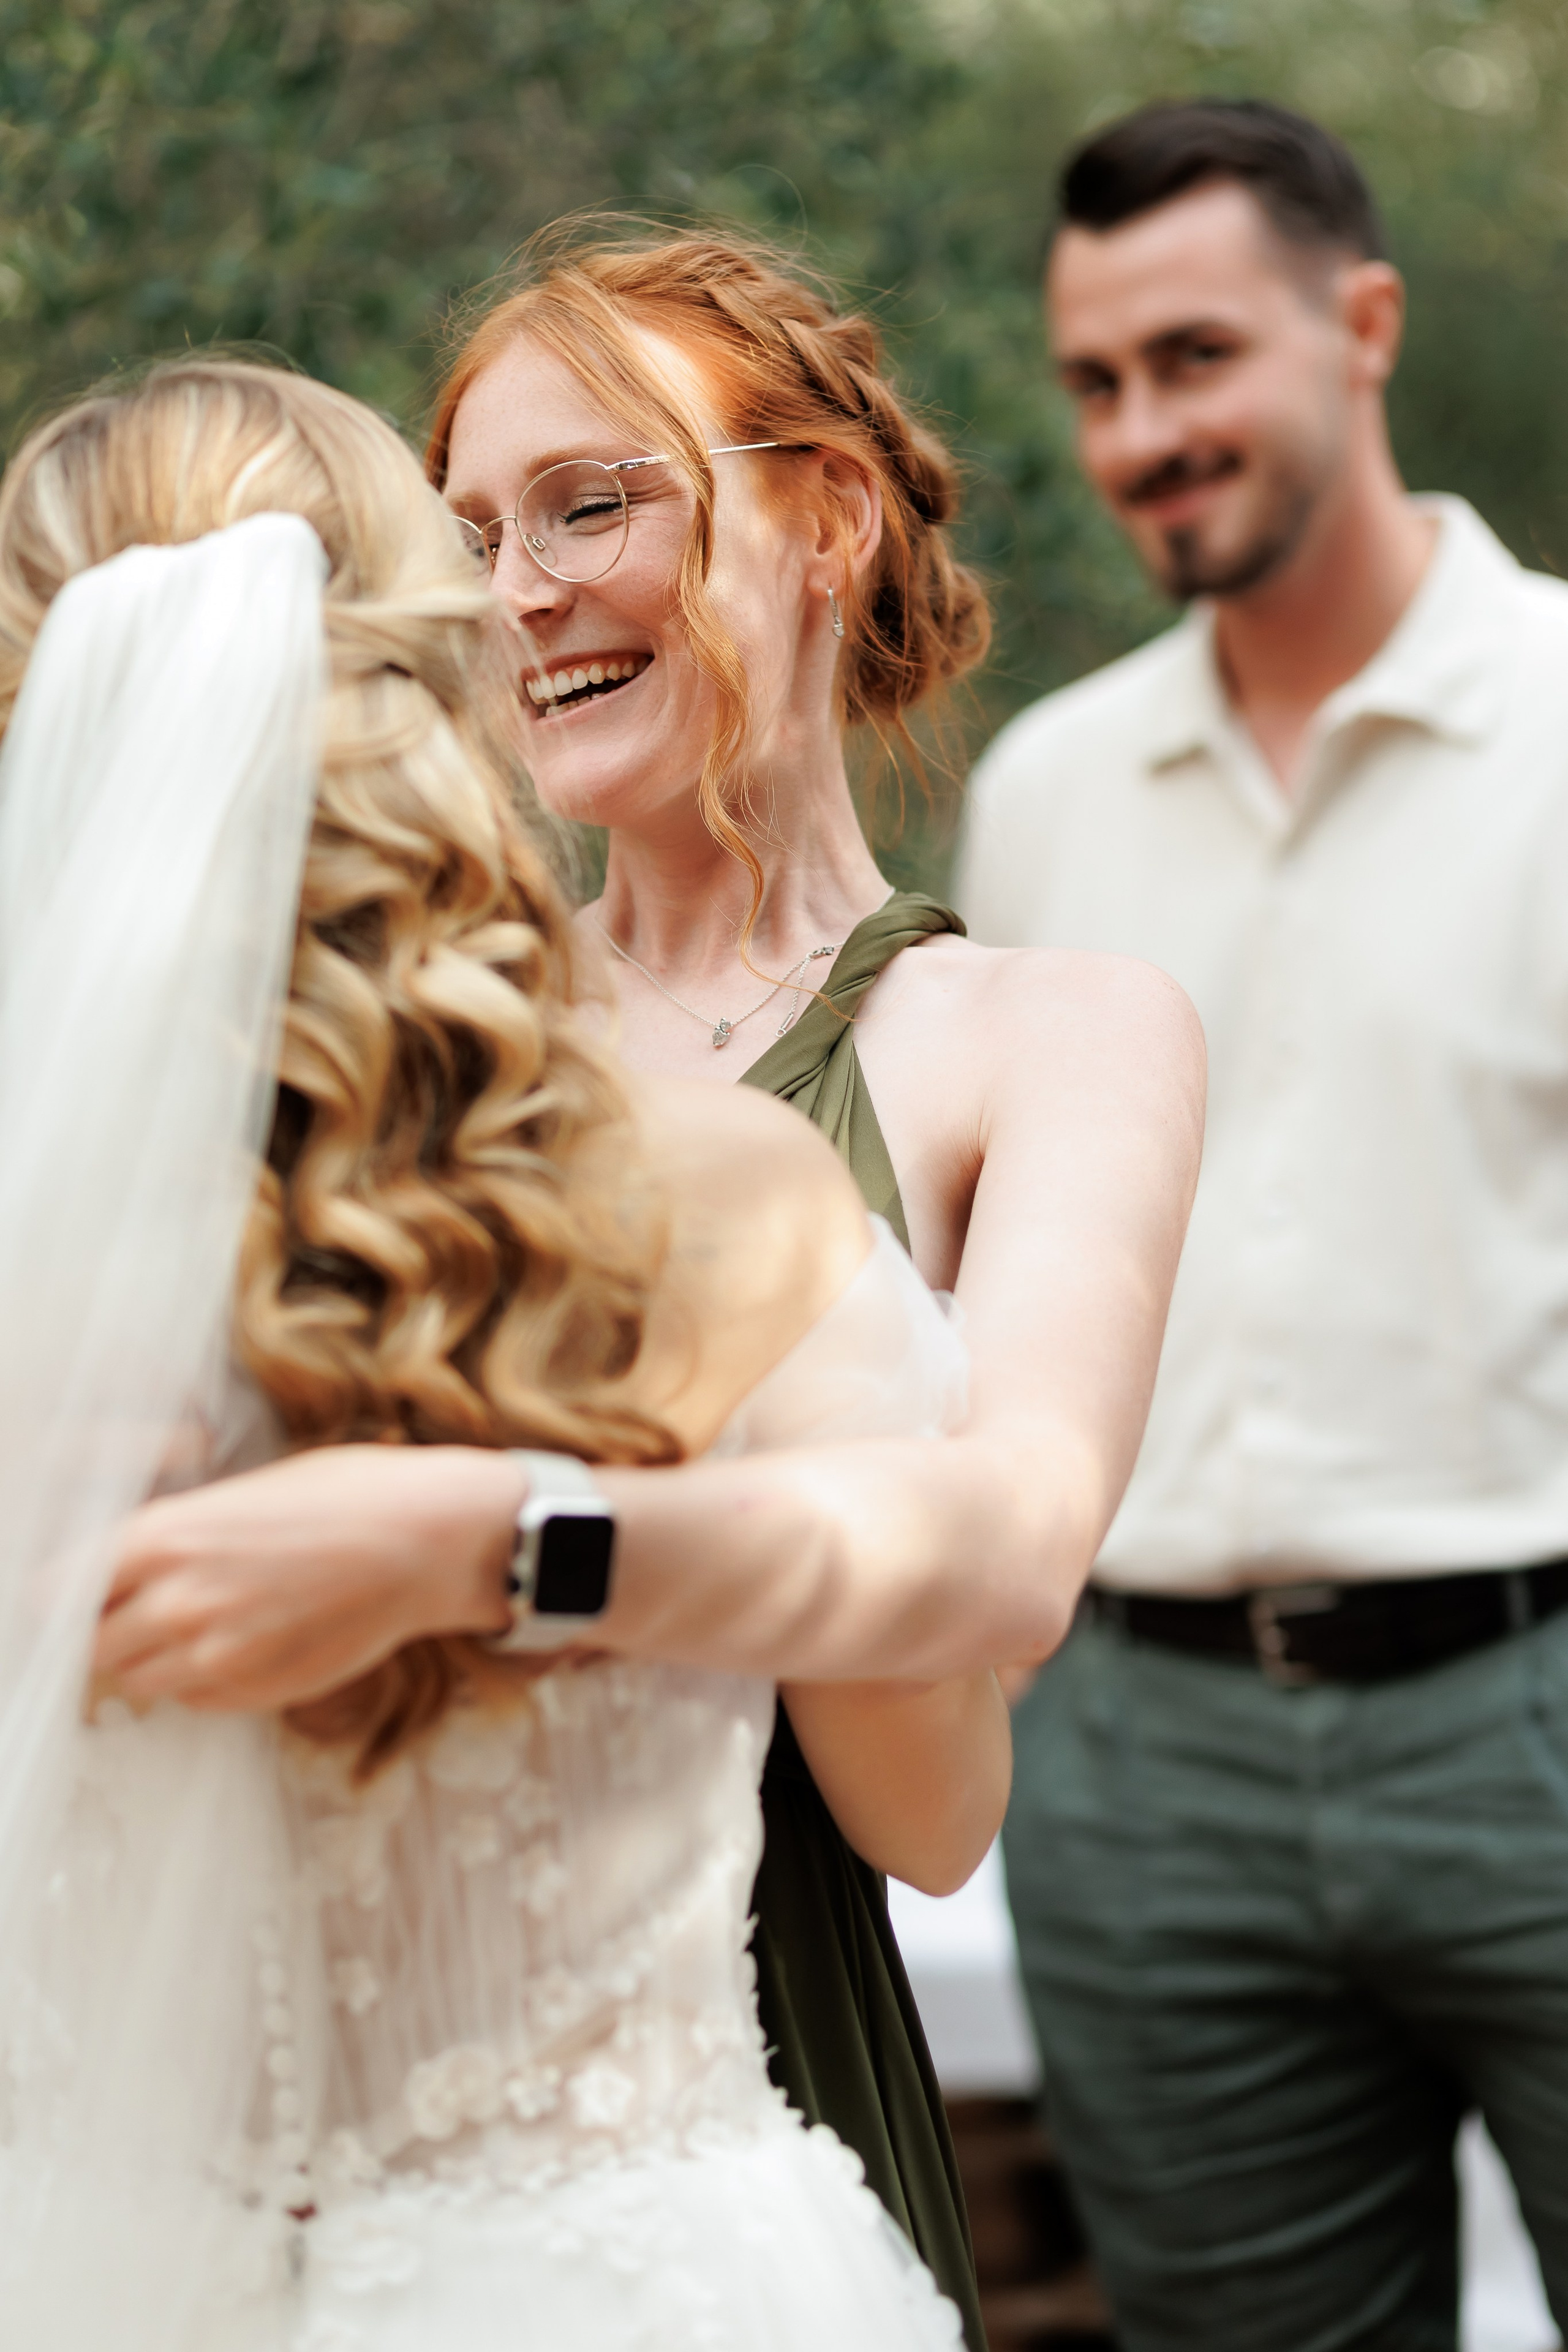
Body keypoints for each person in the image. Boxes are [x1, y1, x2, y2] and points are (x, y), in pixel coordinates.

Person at [93, 235, 1205, 2349]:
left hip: (749, 2064)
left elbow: (995, 1614)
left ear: (827, 517)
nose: (516, 595)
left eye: (590, 504)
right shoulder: (384, 1032)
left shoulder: (1056, 1035)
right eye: (468, 539)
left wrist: (500, 1530)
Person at [956, 96, 1568, 2352]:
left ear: (1366, 324)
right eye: (1097, 382)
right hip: (1148, 1777)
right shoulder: (1046, 792)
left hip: (1538, 1695)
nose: (1141, 435)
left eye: (1195, 357)